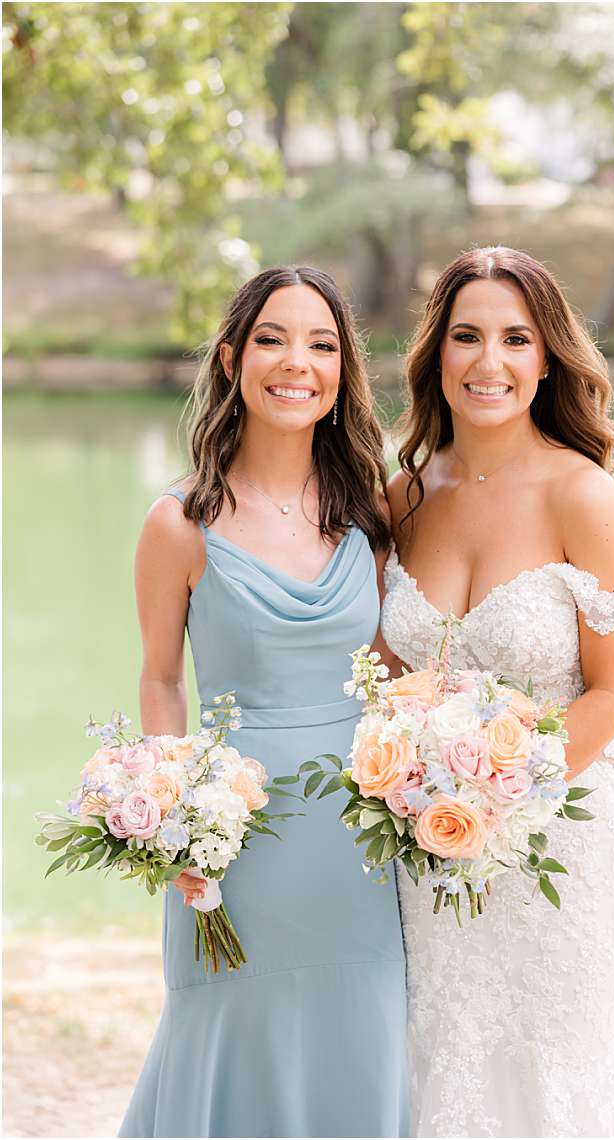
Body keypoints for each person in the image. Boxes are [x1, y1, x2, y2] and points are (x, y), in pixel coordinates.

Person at [376, 246, 614, 1135]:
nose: (488, 362)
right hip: (427, 843)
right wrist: (424, 793)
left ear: (546, 358)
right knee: (444, 1054)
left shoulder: (585, 495)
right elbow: (387, 680)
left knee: (559, 1067)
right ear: (437, 356)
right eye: (466, 337)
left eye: (514, 339)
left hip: (560, 844)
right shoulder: (403, 497)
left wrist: (499, 798)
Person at [120, 266, 406, 1136]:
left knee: (361, 1040)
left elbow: (397, 665)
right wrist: (177, 818)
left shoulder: (374, 514)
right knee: (231, 1033)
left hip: (362, 838)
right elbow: (163, 677)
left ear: (343, 373)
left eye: (322, 345)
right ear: (234, 357)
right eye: (273, 339)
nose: (297, 363)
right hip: (238, 837)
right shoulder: (179, 522)